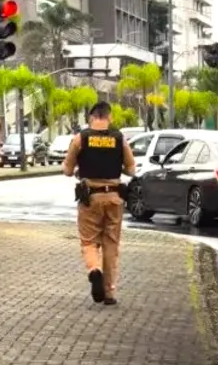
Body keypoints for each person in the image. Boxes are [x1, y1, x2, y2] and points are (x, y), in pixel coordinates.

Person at [62, 101, 136, 305]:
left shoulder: (81, 139)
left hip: (90, 198)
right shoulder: (120, 138)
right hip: (114, 198)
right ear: (109, 117)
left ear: (91, 118)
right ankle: (110, 292)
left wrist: (79, 168)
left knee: (88, 241)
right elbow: (131, 170)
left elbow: (67, 170)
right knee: (111, 244)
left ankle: (95, 270)